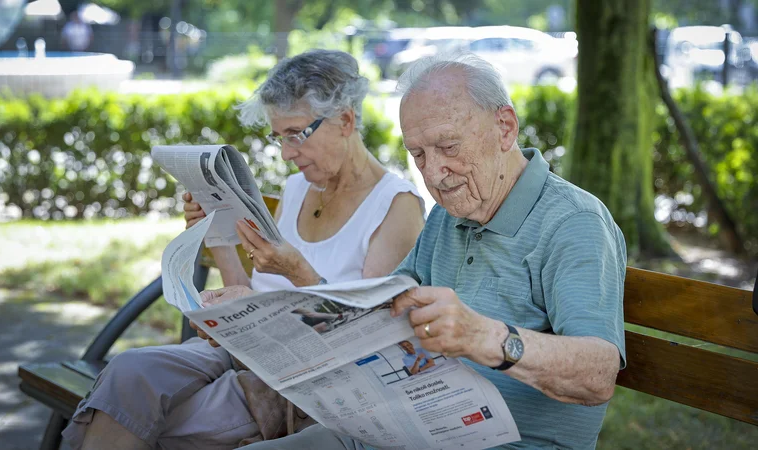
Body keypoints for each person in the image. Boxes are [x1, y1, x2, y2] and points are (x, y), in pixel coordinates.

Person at [238, 53, 627, 450]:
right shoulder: (448, 216)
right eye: (418, 154)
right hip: (402, 429)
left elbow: (598, 374)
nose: (434, 173)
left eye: (448, 145)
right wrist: (254, 314)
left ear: (505, 127)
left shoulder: (573, 222)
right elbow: (374, 318)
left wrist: (485, 336)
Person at [63, 49, 425, 450]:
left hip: (302, 381)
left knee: (135, 416)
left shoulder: (395, 207)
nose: (287, 153)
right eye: (278, 137)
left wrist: (297, 270)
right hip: (245, 353)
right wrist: (214, 232)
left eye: (296, 134)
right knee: (128, 372)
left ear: (346, 120)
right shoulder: (298, 187)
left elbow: (365, 337)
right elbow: (248, 291)